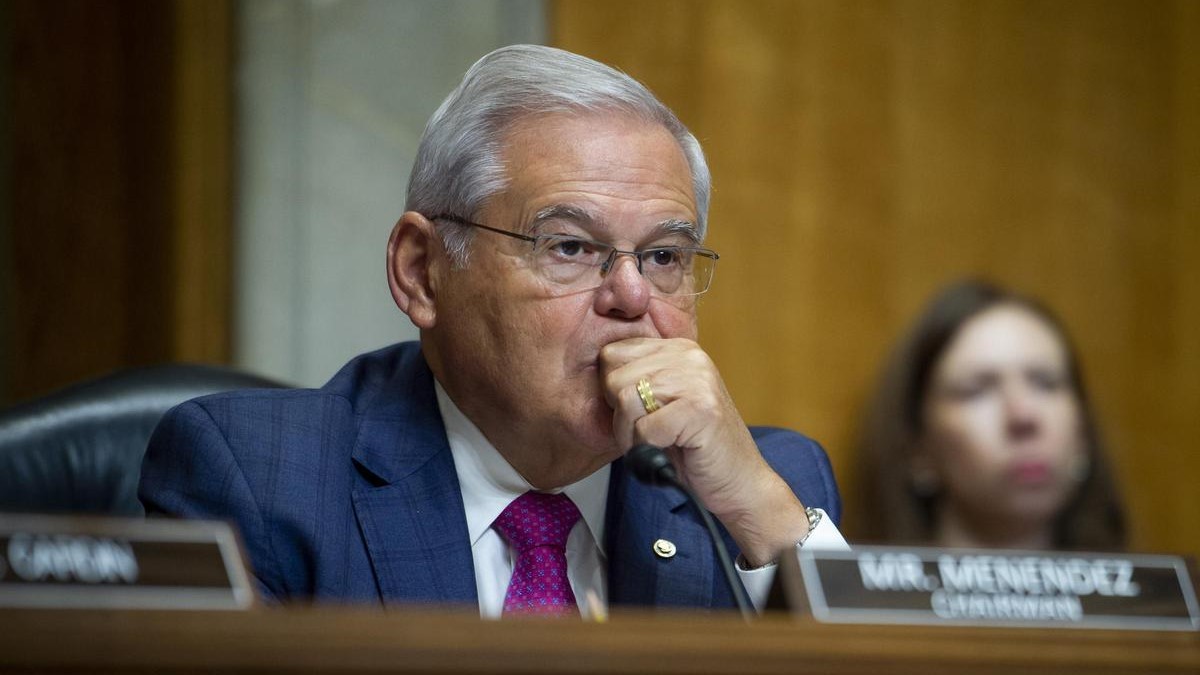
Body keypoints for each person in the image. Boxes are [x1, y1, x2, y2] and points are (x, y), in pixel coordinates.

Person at [139, 44, 846, 618]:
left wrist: (761, 510)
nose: (632, 296)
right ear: (421, 272)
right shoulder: (265, 481)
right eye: (569, 246)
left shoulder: (768, 490)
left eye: (664, 257)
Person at [855, 279, 1126, 551]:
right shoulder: (845, 594)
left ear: (1082, 430)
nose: (1023, 415)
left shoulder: (1161, 592)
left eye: (1046, 382)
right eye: (977, 390)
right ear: (917, 446)